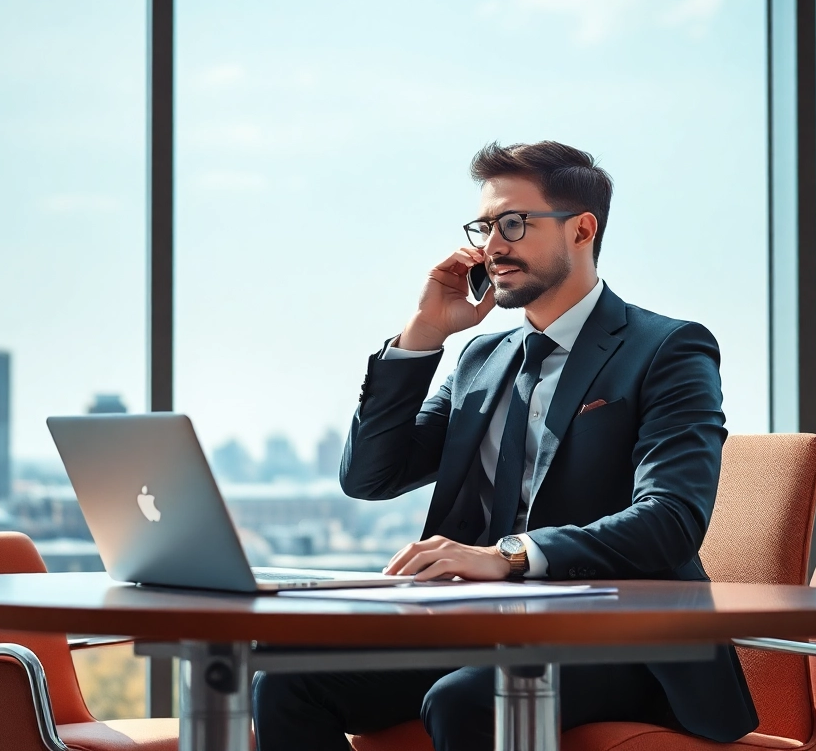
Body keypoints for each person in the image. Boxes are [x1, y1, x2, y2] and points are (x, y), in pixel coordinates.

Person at [252, 141, 757, 750]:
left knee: (466, 699)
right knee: (284, 678)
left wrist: (511, 554)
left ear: (581, 229)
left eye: (513, 223)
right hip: (480, 635)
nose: (492, 246)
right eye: (485, 226)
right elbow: (370, 476)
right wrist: (422, 335)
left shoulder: (667, 349)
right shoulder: (481, 359)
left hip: (623, 645)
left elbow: (672, 519)